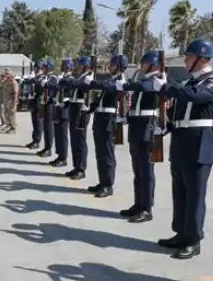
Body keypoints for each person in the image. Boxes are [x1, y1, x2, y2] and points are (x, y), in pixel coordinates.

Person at [150, 38, 213, 260]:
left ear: (202, 59)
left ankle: (193, 240)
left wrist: (166, 87)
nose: (185, 60)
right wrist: (166, 127)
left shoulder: (212, 82)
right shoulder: (188, 84)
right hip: (181, 143)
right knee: (180, 192)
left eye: (189, 57)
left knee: (195, 195)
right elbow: (180, 113)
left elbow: (197, 98)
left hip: (200, 145)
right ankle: (181, 233)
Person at [117, 50, 160, 223]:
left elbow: (145, 88)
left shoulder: (157, 80)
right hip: (137, 124)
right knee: (138, 168)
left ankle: (146, 208)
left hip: (148, 125)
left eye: (144, 62)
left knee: (146, 169)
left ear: (153, 64)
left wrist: (125, 85)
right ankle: (138, 204)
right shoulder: (143, 79)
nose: (141, 66)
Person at [79, 54, 126, 198]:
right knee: (100, 153)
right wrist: (91, 108)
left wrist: (92, 82)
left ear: (118, 67)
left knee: (107, 154)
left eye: (112, 65)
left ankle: (108, 185)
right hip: (100, 118)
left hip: (109, 119)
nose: (109, 67)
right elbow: (100, 98)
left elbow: (105, 87)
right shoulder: (111, 79)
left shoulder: (120, 81)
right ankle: (102, 182)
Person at [65, 55, 93, 180]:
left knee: (80, 139)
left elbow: (78, 84)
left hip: (81, 109)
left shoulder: (89, 77)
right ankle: (76, 166)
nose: (78, 66)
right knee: (74, 138)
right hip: (74, 106)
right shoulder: (81, 75)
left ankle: (81, 168)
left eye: (80, 64)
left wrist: (69, 81)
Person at [50, 57, 74, 167]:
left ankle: (63, 158)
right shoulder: (62, 77)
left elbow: (62, 86)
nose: (62, 67)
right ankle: (59, 155)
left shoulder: (71, 78)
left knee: (63, 134)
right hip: (58, 106)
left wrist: (58, 81)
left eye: (64, 65)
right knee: (58, 133)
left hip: (65, 107)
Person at [36, 60, 56, 158]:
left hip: (50, 104)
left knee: (49, 127)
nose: (43, 69)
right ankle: (46, 147)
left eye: (45, 67)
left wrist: (46, 84)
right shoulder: (45, 77)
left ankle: (49, 148)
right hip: (44, 104)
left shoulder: (53, 78)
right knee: (45, 126)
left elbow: (53, 87)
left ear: (49, 68)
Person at [25, 61, 44, 149]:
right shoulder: (36, 77)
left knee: (38, 122)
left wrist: (31, 80)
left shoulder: (42, 77)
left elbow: (37, 83)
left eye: (35, 67)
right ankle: (34, 139)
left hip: (39, 101)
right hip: (33, 100)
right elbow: (28, 82)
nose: (34, 69)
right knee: (34, 121)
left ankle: (37, 140)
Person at [0, 69, 19, 133]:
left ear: (11, 76)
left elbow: (16, 94)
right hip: (6, 101)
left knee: (12, 115)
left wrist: (14, 105)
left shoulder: (14, 83)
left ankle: (13, 128)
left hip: (11, 101)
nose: (6, 76)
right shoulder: (6, 82)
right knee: (6, 114)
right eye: (6, 75)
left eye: (8, 75)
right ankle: (9, 125)